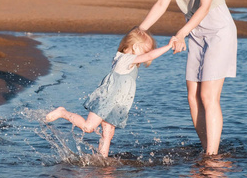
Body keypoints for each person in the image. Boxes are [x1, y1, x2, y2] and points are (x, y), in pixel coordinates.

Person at [139, 0, 237, 155]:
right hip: (195, 33)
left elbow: (204, 7)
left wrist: (181, 33)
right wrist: (140, 29)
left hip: (218, 31)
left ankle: (211, 158)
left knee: (207, 95)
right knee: (193, 96)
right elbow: (163, 3)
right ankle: (207, 150)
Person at [46, 27, 175, 157]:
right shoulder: (126, 59)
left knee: (108, 134)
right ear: (135, 47)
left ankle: (103, 160)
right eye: (145, 50)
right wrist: (169, 46)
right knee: (89, 127)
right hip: (107, 99)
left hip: (117, 103)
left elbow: (141, 37)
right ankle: (62, 112)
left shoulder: (127, 58)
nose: (147, 54)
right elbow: (149, 55)